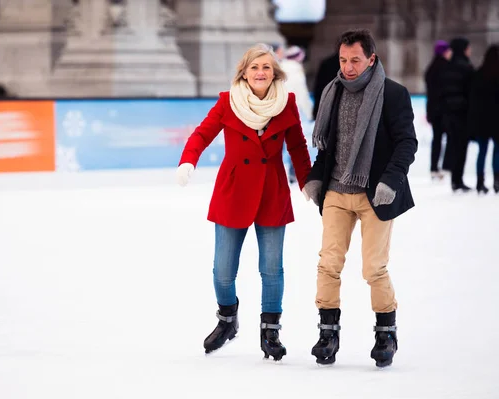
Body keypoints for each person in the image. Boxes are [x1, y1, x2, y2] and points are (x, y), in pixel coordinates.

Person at [176, 43, 312, 361]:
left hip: (272, 192)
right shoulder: (228, 102)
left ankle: (270, 332)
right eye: (254, 67)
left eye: (266, 67)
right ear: (244, 72)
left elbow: (298, 147)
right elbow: (201, 135)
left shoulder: (286, 103)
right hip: (233, 191)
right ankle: (227, 320)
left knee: (272, 269)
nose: (260, 73)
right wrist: (188, 161)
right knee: (223, 272)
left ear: (275, 72)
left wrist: (308, 182)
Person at [302, 29, 418, 368]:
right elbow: (328, 145)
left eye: (355, 60)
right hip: (337, 190)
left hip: (375, 193)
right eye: (343, 60)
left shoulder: (393, 94)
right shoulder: (332, 92)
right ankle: (328, 333)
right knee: (329, 263)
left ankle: (386, 333)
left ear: (371, 58)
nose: (348, 67)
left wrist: (390, 181)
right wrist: (315, 176)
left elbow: (406, 143)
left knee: (373, 268)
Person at [439, 37, 475, 192]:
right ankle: (458, 180)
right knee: (461, 147)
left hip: (448, 114)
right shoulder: (466, 67)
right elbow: (471, 92)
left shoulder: (447, 67)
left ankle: (455, 179)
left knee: (453, 146)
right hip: (463, 114)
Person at [467, 44, 499, 194]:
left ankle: (480, 182)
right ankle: (497, 181)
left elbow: (473, 100)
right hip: (496, 121)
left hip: (481, 121)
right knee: (497, 152)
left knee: (482, 152)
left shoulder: (478, 74)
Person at [280, 45, 314, 183]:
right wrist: (310, 112)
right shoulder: (296, 71)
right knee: (293, 143)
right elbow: (302, 94)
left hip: (275, 110)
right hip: (290, 112)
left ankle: (269, 172)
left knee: (276, 143)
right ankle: (294, 173)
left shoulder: (278, 67)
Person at [425, 40, 453, 179]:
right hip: (445, 109)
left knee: (437, 139)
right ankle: (446, 167)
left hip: (433, 109)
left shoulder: (431, 68)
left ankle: (434, 168)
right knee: (451, 136)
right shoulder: (446, 68)